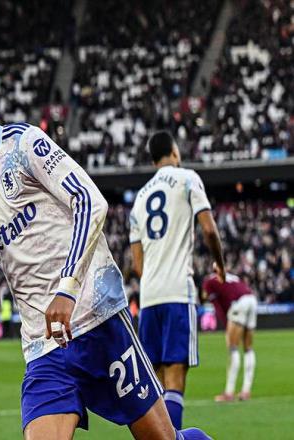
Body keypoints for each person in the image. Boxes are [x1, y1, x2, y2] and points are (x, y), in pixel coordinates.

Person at [0, 59, 210, 439]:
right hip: (44, 349)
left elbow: (90, 201)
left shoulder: (24, 144)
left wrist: (67, 289)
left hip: (99, 322)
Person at [129, 131, 225, 430]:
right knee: (175, 378)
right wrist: (220, 265)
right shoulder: (187, 179)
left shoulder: (139, 199)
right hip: (177, 292)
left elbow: (138, 264)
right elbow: (208, 229)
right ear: (174, 152)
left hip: (149, 297)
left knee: (156, 382)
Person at [202, 271, 257, 402]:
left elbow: (217, 306)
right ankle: (246, 391)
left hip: (240, 303)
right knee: (248, 348)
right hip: (252, 300)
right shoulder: (232, 277)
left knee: (233, 347)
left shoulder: (208, 283)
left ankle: (229, 392)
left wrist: (227, 326)